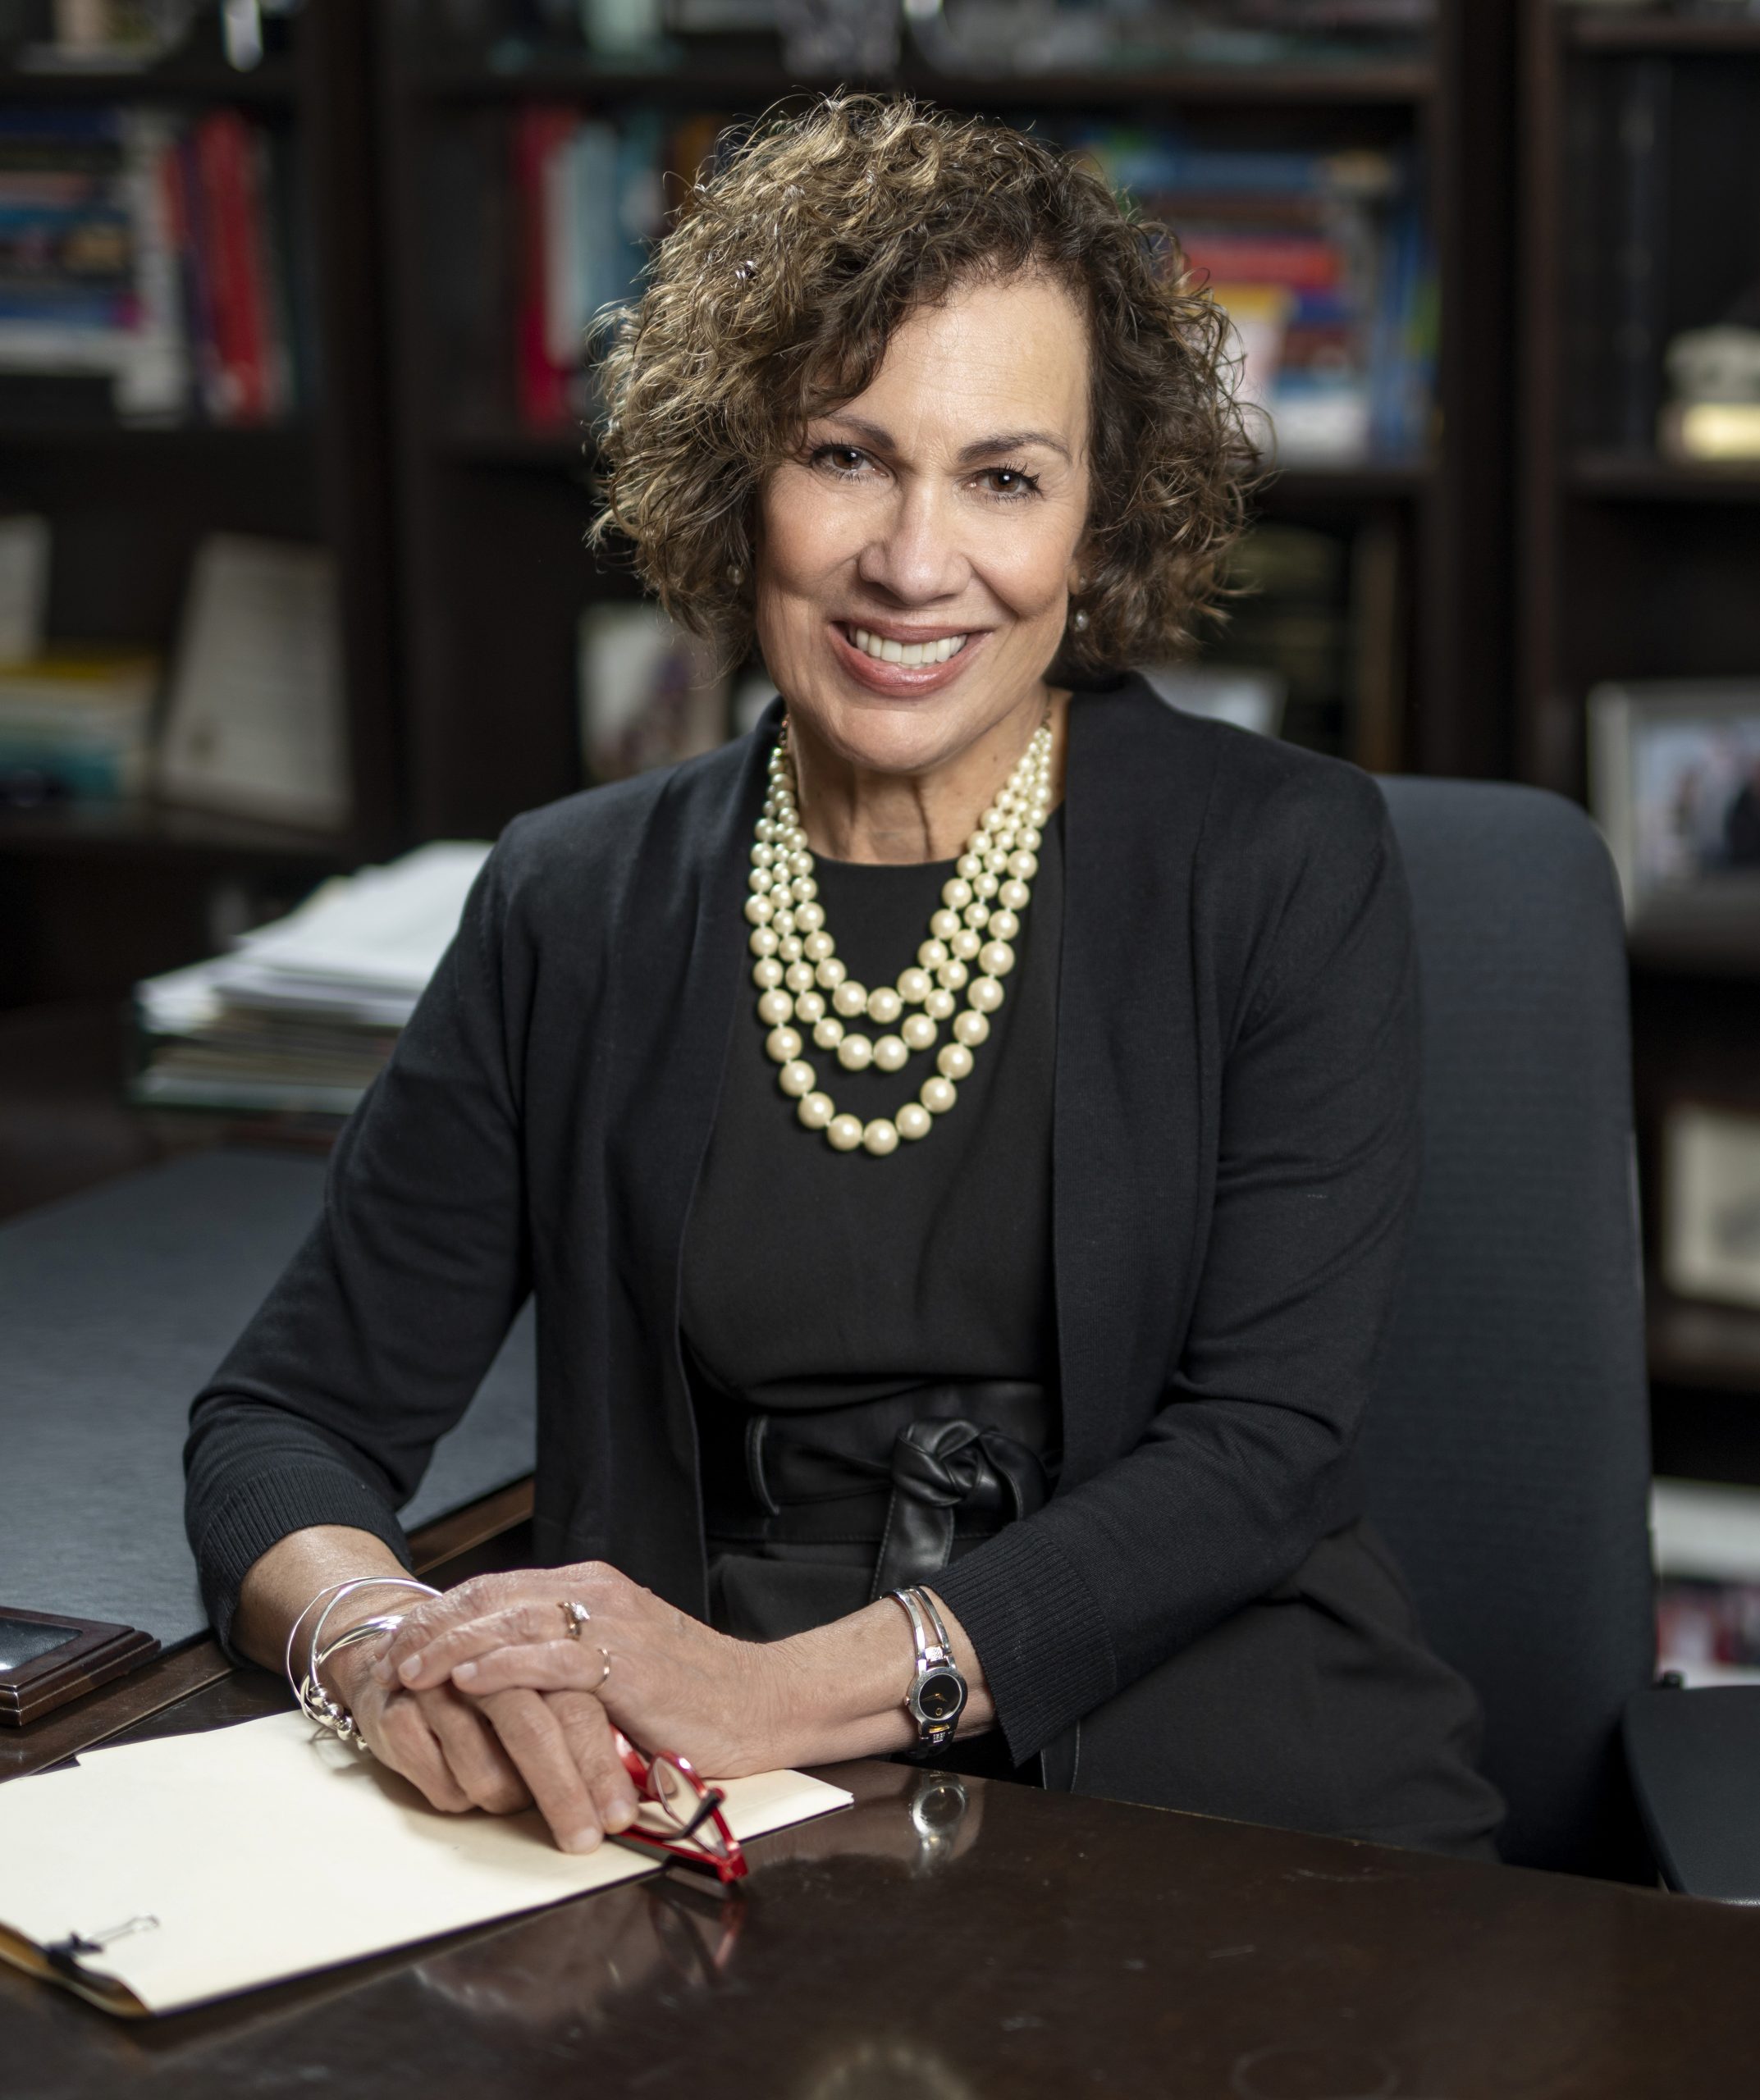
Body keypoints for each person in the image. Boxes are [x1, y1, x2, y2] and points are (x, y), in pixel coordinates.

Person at [185, 94, 1503, 1861]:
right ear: (742, 481)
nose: (910, 558)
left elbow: (1260, 1448)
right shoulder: (572, 899)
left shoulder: (1275, 861)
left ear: (1096, 520)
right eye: (845, 454)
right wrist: (382, 1646)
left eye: (1004, 476)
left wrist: (763, 1688)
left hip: (1211, 1762)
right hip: (707, 1806)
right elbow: (288, 1420)